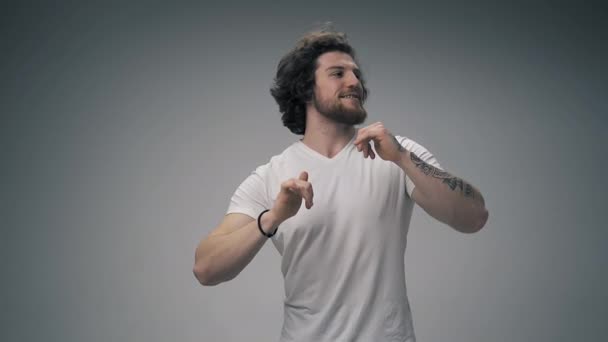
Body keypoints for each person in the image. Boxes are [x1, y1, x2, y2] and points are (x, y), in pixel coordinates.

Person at [193, 28, 488, 342]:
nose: (355, 82)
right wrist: (272, 217)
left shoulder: (395, 153)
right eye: (338, 73)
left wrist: (402, 157)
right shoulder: (271, 175)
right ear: (305, 88)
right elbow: (206, 268)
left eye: (357, 75)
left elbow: (474, 217)